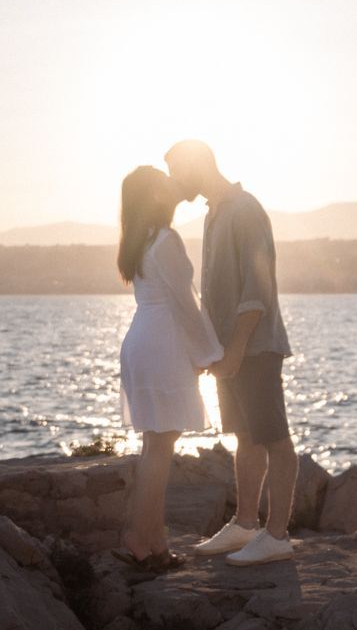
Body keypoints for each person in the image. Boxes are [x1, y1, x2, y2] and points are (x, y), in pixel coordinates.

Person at [166, 140, 296, 566]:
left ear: (196, 166)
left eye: (176, 172)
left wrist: (237, 350)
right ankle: (244, 525)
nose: (173, 182)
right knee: (245, 436)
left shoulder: (244, 210)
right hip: (228, 349)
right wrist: (211, 349)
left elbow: (256, 291)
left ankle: (277, 535)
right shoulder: (213, 213)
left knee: (274, 437)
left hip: (253, 347)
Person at [115, 165, 222, 572]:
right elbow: (185, 303)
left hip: (141, 340)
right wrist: (210, 353)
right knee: (161, 447)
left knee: (153, 446)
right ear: (154, 196)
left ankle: (149, 539)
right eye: (163, 183)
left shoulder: (138, 240)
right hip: (161, 342)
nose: (172, 185)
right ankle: (145, 541)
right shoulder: (165, 240)